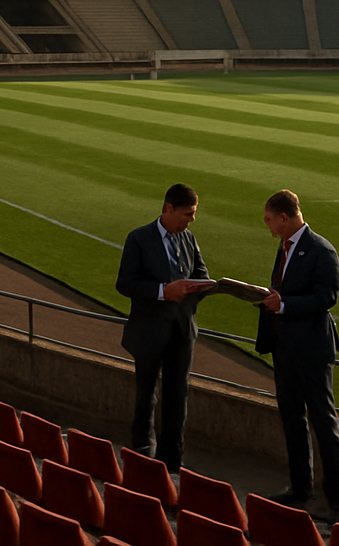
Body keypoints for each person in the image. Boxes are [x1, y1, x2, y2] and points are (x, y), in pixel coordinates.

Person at [255, 189, 339, 522]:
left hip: (311, 351)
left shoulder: (321, 250)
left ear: (284, 218)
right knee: (292, 420)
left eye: (269, 220)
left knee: (323, 423)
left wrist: (283, 304)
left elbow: (327, 297)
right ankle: (300, 489)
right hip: (285, 348)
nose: (267, 227)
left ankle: (338, 502)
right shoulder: (285, 247)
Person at [115, 183, 212, 472]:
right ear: (169, 209)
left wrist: (199, 288)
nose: (192, 219)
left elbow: (202, 274)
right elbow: (125, 283)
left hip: (182, 331)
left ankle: (172, 459)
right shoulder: (139, 238)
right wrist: (163, 292)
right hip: (150, 330)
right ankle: (142, 453)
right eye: (188, 213)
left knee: (178, 395)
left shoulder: (188, 238)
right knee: (146, 394)